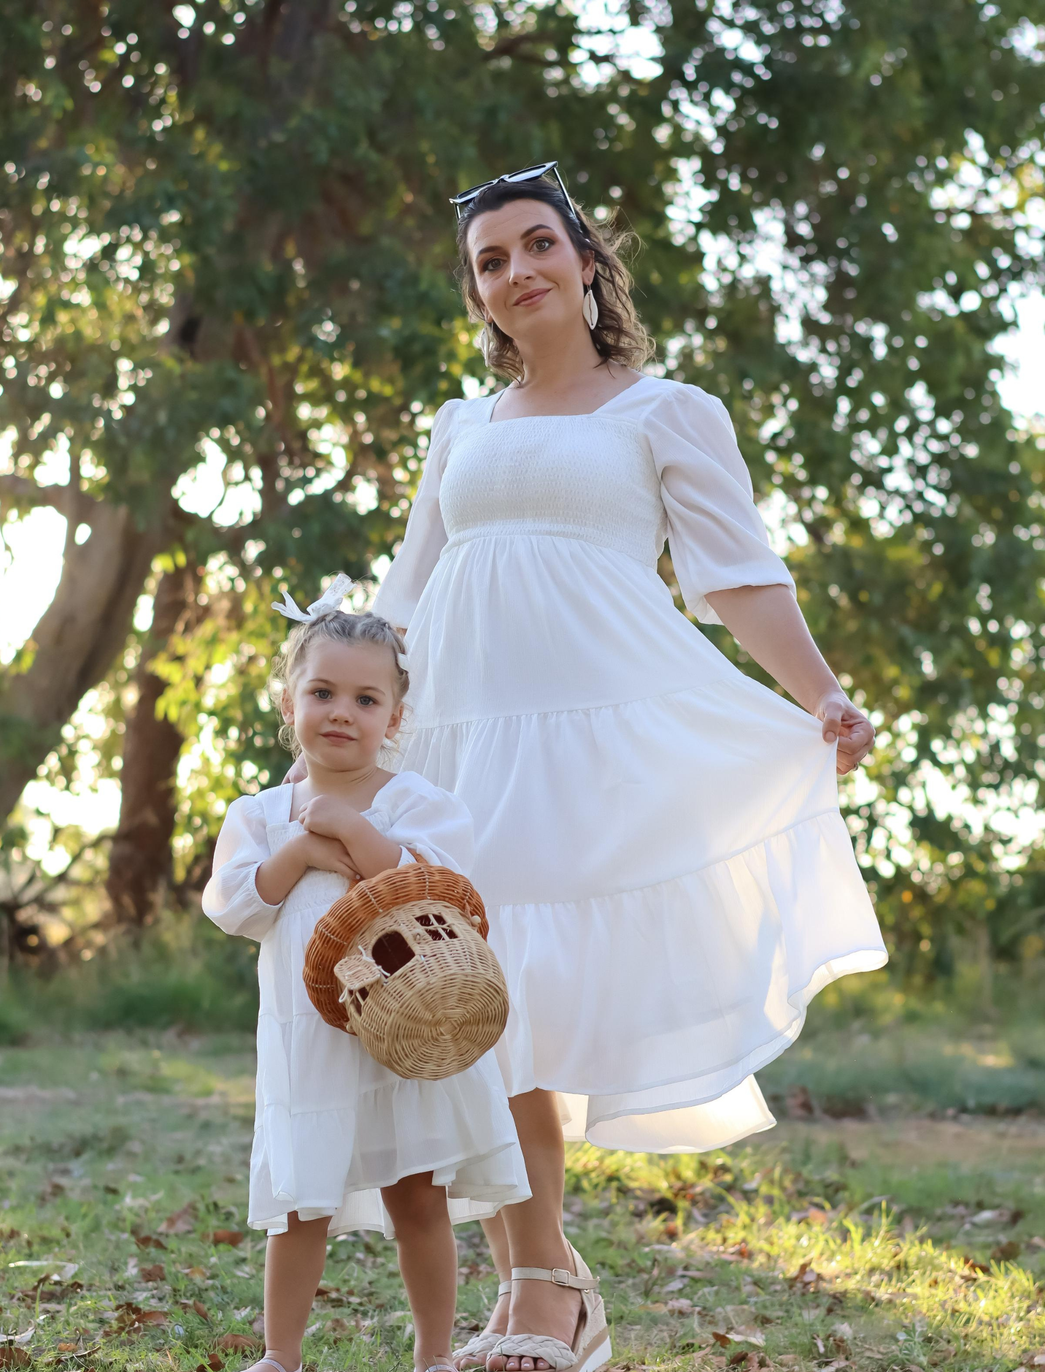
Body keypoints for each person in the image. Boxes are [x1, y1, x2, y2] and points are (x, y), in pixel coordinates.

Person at [370, 163, 888, 1372]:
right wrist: (352, 724)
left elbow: (736, 575)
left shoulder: (664, 411)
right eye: (491, 261)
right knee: (473, 998)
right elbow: (408, 589)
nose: (518, 271)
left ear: (588, 262)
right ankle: (541, 1280)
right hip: (458, 737)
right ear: (478, 295)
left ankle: (544, 1289)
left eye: (538, 244)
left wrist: (819, 692)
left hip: (590, 748)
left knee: (526, 999)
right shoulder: (460, 427)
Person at [202, 574, 530, 1372]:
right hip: (313, 1041)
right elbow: (235, 906)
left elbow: (430, 886)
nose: (341, 712)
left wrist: (349, 828)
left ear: (394, 719)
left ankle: (434, 1354)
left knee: (418, 1195)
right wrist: (301, 851)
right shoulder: (258, 817)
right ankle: (281, 1353)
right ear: (289, 704)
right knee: (301, 1205)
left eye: (365, 699)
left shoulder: (415, 800)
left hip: (403, 1027)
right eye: (322, 693)